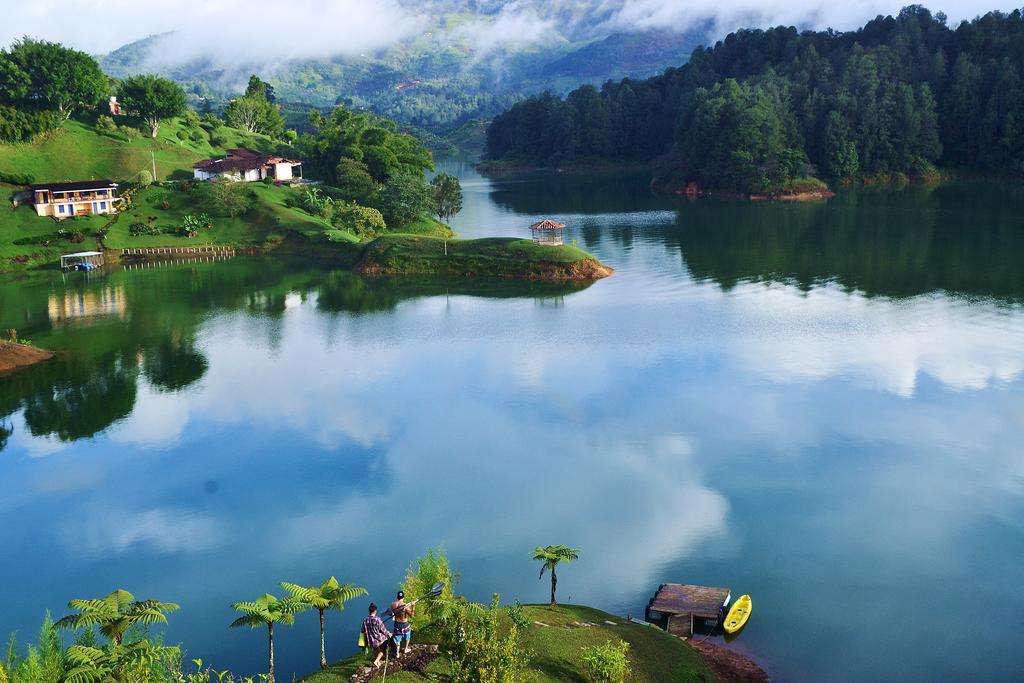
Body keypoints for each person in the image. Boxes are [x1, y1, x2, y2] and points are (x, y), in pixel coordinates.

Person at [362, 603, 392, 669]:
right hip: (378, 639)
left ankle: (378, 662)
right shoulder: (377, 619)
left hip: (370, 640)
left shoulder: (365, 620)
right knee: (382, 650)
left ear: (369, 611)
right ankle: (376, 661)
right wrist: (389, 634)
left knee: (375, 649)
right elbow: (383, 630)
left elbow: (363, 630)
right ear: (375, 611)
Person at [390, 590, 415, 656]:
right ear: (403, 597)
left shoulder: (392, 605)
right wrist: (413, 606)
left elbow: (390, 613)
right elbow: (412, 616)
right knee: (407, 636)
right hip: (404, 624)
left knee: (397, 639)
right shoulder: (405, 606)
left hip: (396, 624)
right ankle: (406, 649)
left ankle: (397, 653)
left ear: (397, 597)